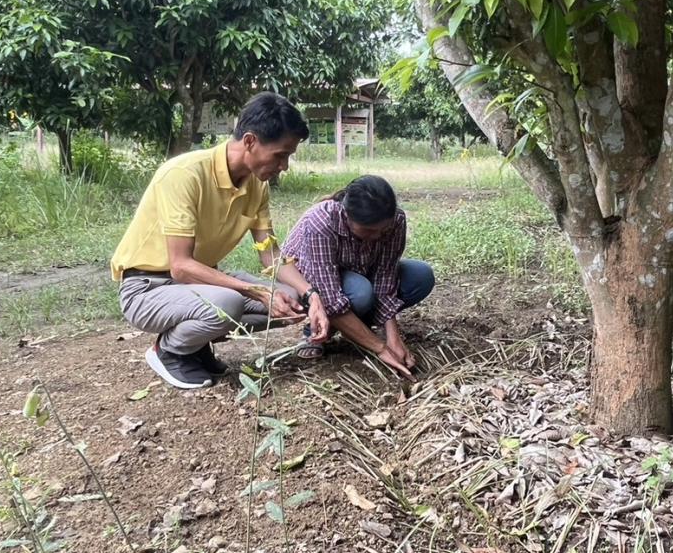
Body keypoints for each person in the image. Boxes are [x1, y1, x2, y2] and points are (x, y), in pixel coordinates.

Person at [110, 93, 329, 389]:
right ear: (250, 141)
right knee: (229, 302)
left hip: (198, 285)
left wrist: (311, 296)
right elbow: (181, 267)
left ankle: (195, 343)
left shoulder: (256, 186)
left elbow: (271, 256)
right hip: (148, 288)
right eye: (280, 155)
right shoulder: (184, 175)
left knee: (289, 298)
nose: (284, 166)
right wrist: (256, 291)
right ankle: (170, 350)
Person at [284, 175, 434, 377]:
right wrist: (381, 348)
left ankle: (355, 327)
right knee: (361, 292)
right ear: (347, 216)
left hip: (359, 273)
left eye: (383, 230)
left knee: (420, 277)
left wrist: (393, 337)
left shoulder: (396, 221)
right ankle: (319, 330)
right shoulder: (321, 222)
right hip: (313, 283)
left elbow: (385, 277)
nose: (378, 237)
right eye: (369, 231)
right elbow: (329, 297)